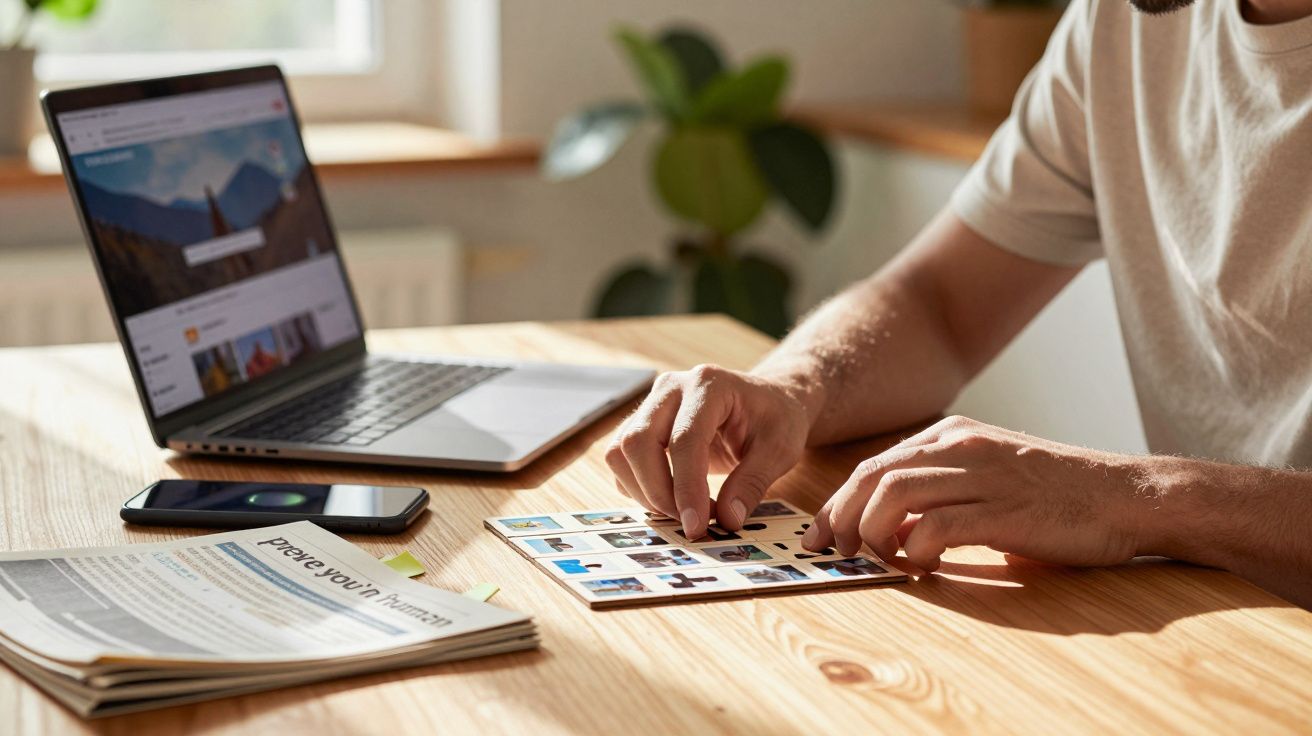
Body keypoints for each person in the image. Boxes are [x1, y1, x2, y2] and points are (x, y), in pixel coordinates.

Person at [605, 0, 1312, 609]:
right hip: (1226, 622)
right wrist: (795, 388)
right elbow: (938, 303)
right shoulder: (1122, 24)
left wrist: (1140, 498)